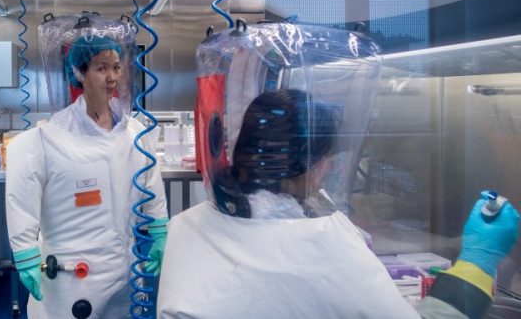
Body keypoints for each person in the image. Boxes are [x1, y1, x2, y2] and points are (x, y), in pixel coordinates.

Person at [157, 88, 520, 319]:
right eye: (326, 160)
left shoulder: (185, 226)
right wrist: (478, 259)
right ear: (315, 167)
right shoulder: (326, 242)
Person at [6, 31, 169, 319]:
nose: (112, 77)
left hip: (125, 269)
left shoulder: (132, 133)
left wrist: (158, 228)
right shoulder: (49, 137)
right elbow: (22, 195)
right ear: (79, 73)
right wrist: (25, 251)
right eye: (101, 68)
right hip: (73, 276)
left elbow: (150, 181)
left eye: (116, 67)